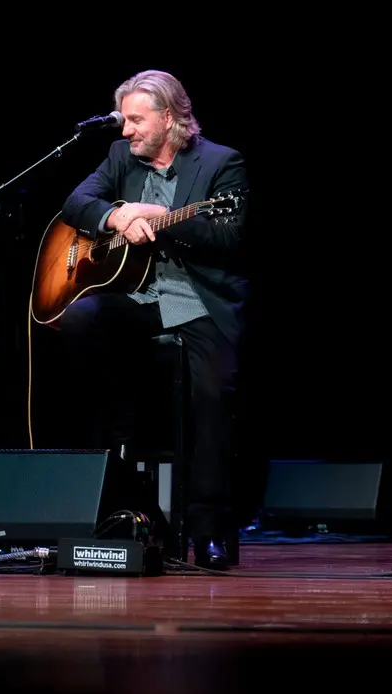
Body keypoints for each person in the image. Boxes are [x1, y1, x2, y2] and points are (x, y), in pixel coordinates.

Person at [58, 69, 248, 570]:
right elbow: (76, 203)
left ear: (168, 117)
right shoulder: (120, 156)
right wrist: (119, 216)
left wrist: (161, 225)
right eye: (124, 120)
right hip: (136, 298)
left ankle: (209, 529)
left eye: (136, 120)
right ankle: (119, 501)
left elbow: (228, 237)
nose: (126, 130)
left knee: (214, 396)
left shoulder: (221, 162)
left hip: (197, 300)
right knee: (78, 320)